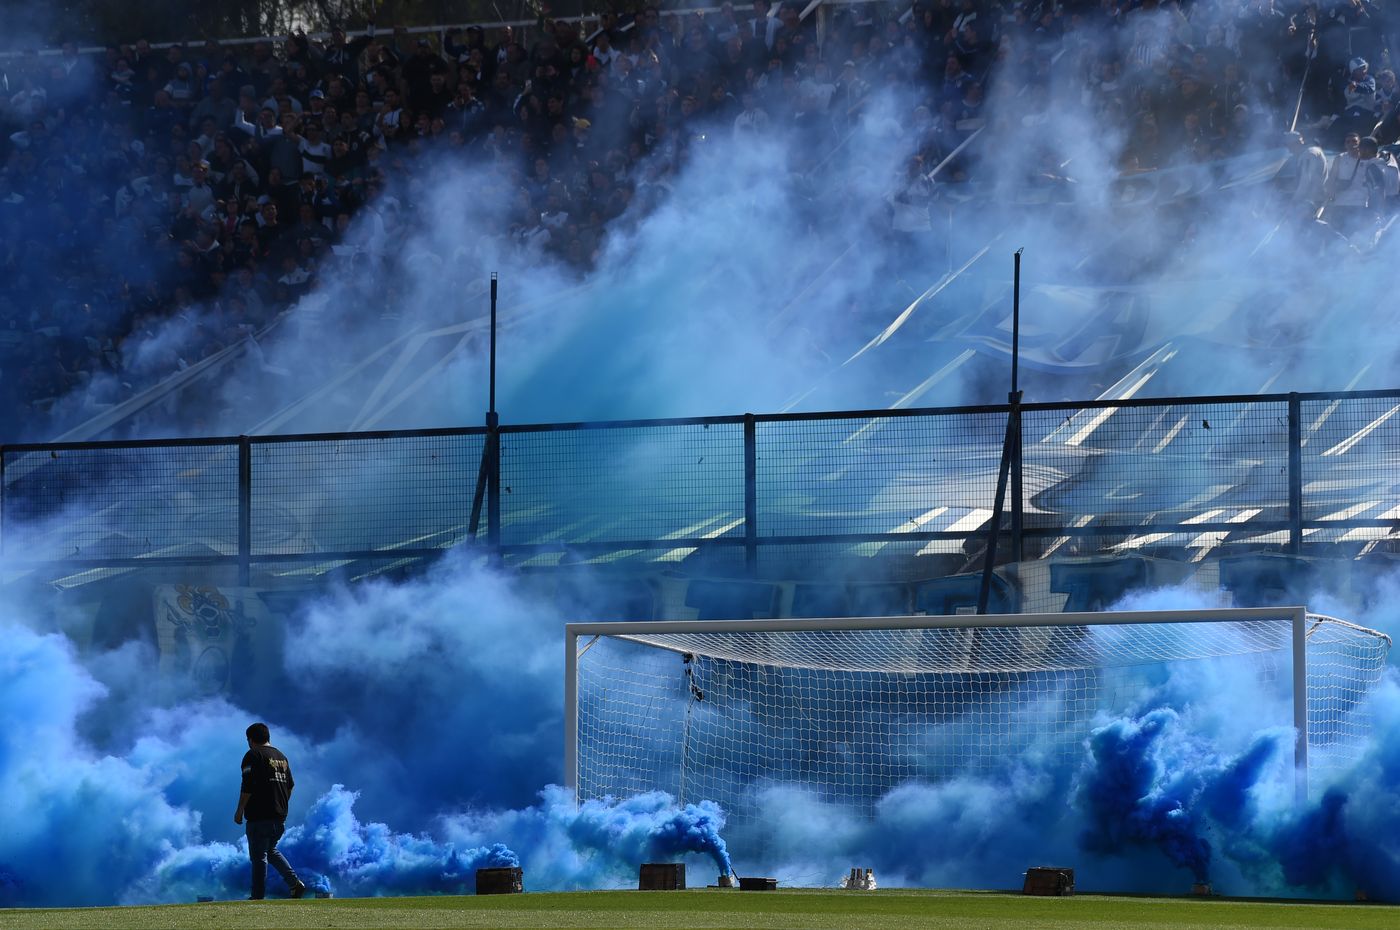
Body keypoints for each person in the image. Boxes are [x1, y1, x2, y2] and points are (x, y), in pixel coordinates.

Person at [235, 722, 307, 900]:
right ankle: (295, 883)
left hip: (259, 816)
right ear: (268, 737)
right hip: (279, 817)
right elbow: (290, 786)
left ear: (251, 739)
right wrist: (280, 804)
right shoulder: (281, 757)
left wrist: (239, 810)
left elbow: (248, 785)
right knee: (271, 850)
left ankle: (257, 896)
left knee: (259, 857)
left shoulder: (252, 755)